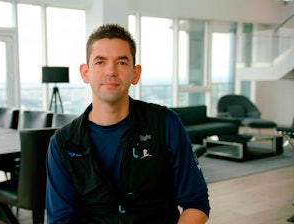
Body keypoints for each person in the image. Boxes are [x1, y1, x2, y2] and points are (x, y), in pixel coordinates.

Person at [46, 23, 210, 224]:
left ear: (136, 73)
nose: (111, 71)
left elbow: (196, 203)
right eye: (100, 62)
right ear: (85, 72)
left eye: (122, 62)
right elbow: (61, 220)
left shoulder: (166, 124)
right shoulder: (62, 143)